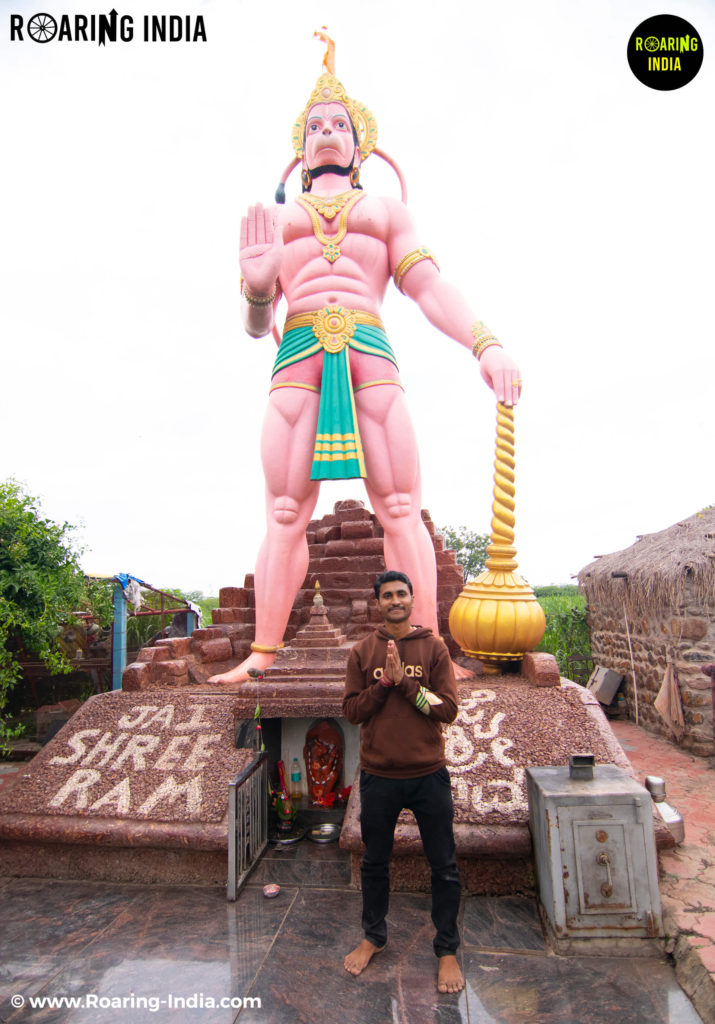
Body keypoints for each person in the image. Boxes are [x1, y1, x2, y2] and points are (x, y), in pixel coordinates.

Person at [210, 35, 521, 686]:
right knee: (285, 512)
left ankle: (429, 650)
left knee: (400, 505)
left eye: (339, 125)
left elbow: (429, 287)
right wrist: (259, 287)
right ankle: (263, 652)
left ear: (359, 146)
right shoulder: (279, 219)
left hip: (370, 355)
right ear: (301, 148)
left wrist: (484, 342)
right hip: (296, 357)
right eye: (316, 125)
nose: (327, 131)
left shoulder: (384, 212)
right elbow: (255, 323)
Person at [342, 570, 464, 994]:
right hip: (379, 776)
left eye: (401, 594)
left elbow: (447, 709)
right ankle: (373, 936)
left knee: (443, 866)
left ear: (412, 599)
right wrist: (383, 684)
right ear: (378, 603)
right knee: (375, 862)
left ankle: (446, 949)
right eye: (387, 595)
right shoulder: (362, 651)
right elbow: (353, 711)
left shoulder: (434, 648)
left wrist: (406, 683)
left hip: (428, 773)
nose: (395, 600)